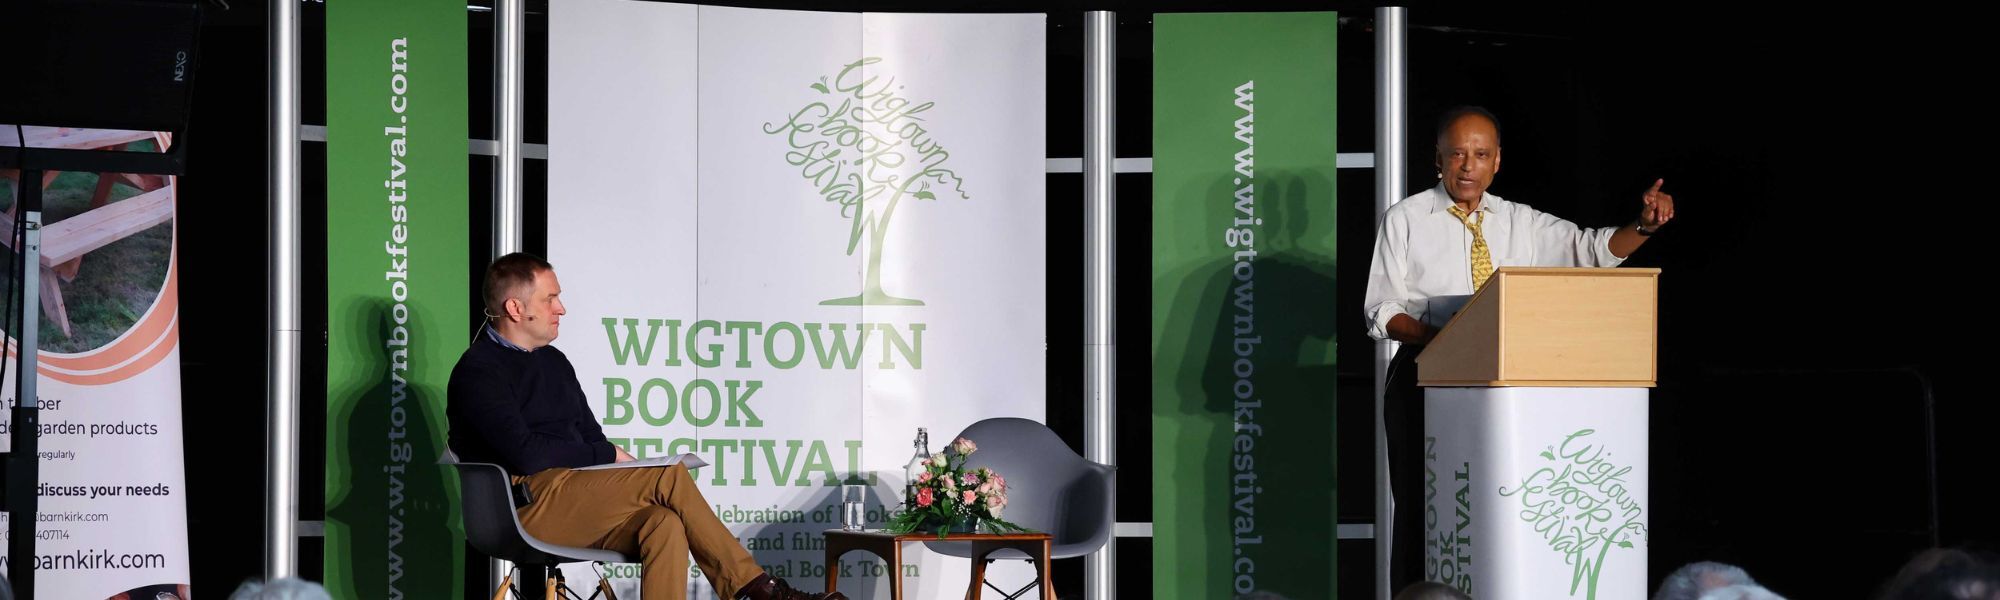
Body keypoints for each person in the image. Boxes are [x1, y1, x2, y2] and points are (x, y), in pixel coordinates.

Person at [1364, 106, 1675, 587]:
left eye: (1481, 154)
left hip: (1506, 387)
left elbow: (1592, 252)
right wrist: (1451, 337)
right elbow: (1382, 309)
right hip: (1424, 376)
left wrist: (1645, 227)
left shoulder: (1520, 221)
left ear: (1497, 161)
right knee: (1422, 507)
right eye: (1458, 154)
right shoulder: (1405, 219)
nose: (1469, 165)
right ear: (1439, 159)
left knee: (1493, 502)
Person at [448, 253, 842, 600]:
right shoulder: (479, 371)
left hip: (576, 493)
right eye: (550, 298)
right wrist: (608, 456)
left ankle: (752, 589)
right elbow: (526, 454)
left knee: (663, 524)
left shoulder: (555, 363)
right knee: (668, 474)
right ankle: (755, 589)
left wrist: (609, 463)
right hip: (524, 505)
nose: (562, 308)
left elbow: (590, 437)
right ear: (516, 308)